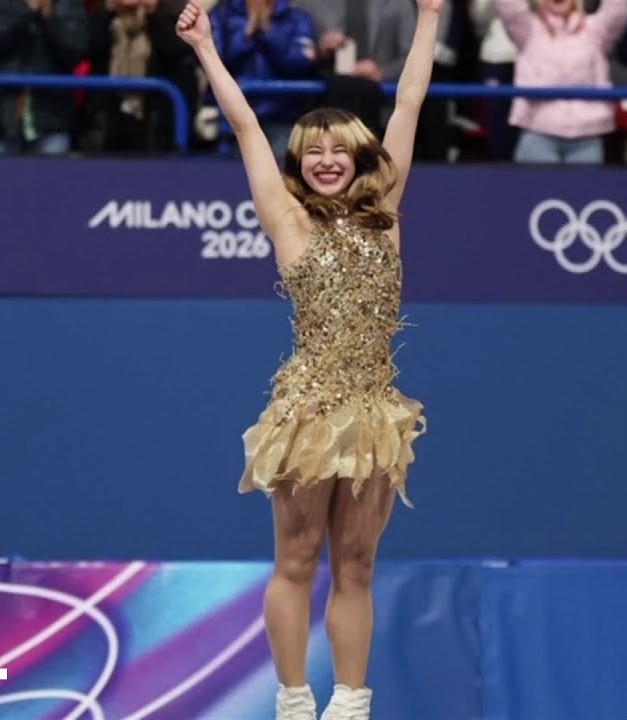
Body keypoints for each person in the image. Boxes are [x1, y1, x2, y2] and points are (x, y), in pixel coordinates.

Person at [175, 2, 434, 718]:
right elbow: (244, 125)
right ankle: (293, 698)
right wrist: (203, 47)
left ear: (359, 158)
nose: (324, 160)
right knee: (296, 561)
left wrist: (433, 16)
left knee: (357, 564)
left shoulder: (385, 212)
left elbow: (410, 98)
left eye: (338, 150)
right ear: (299, 162)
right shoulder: (285, 220)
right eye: (312, 151)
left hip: (375, 411)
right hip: (311, 409)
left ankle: (350, 702)